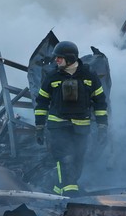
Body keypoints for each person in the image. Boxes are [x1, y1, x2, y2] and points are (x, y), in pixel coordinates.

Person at [34, 40, 108, 196]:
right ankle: (70, 196)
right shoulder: (52, 77)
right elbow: (41, 102)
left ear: (70, 58)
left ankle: (57, 189)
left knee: (77, 160)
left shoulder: (89, 76)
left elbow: (100, 103)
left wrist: (102, 127)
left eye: (59, 57)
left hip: (81, 128)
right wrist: (39, 127)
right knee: (65, 159)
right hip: (58, 127)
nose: (56, 60)